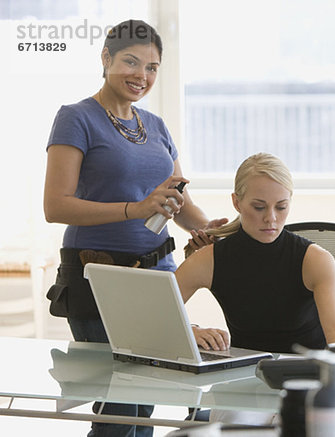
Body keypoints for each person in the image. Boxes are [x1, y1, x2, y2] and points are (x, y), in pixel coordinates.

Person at [44, 19, 226, 437]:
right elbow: (56, 206)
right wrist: (136, 208)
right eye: (130, 61)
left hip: (159, 278)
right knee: (122, 411)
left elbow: (177, 203)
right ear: (105, 58)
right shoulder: (76, 118)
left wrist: (209, 229)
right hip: (99, 277)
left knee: (146, 404)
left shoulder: (156, 125)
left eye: (152, 67)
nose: (141, 76)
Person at [176, 152, 335, 354]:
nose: (271, 218)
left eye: (281, 207)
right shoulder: (209, 260)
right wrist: (190, 331)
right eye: (259, 207)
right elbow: (151, 316)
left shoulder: (315, 260)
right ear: (237, 203)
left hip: (310, 376)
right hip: (241, 378)